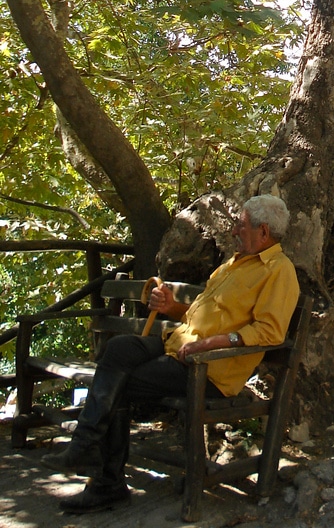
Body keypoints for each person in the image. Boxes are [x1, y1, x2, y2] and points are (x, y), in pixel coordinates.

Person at [46, 195, 300, 514]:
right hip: (178, 344)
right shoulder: (234, 264)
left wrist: (209, 345)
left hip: (209, 369)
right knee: (118, 349)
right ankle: (86, 447)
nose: (235, 230)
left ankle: (103, 479)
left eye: (241, 224)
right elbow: (200, 314)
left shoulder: (279, 271)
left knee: (117, 383)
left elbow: (269, 333)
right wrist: (172, 307)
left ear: (263, 232)